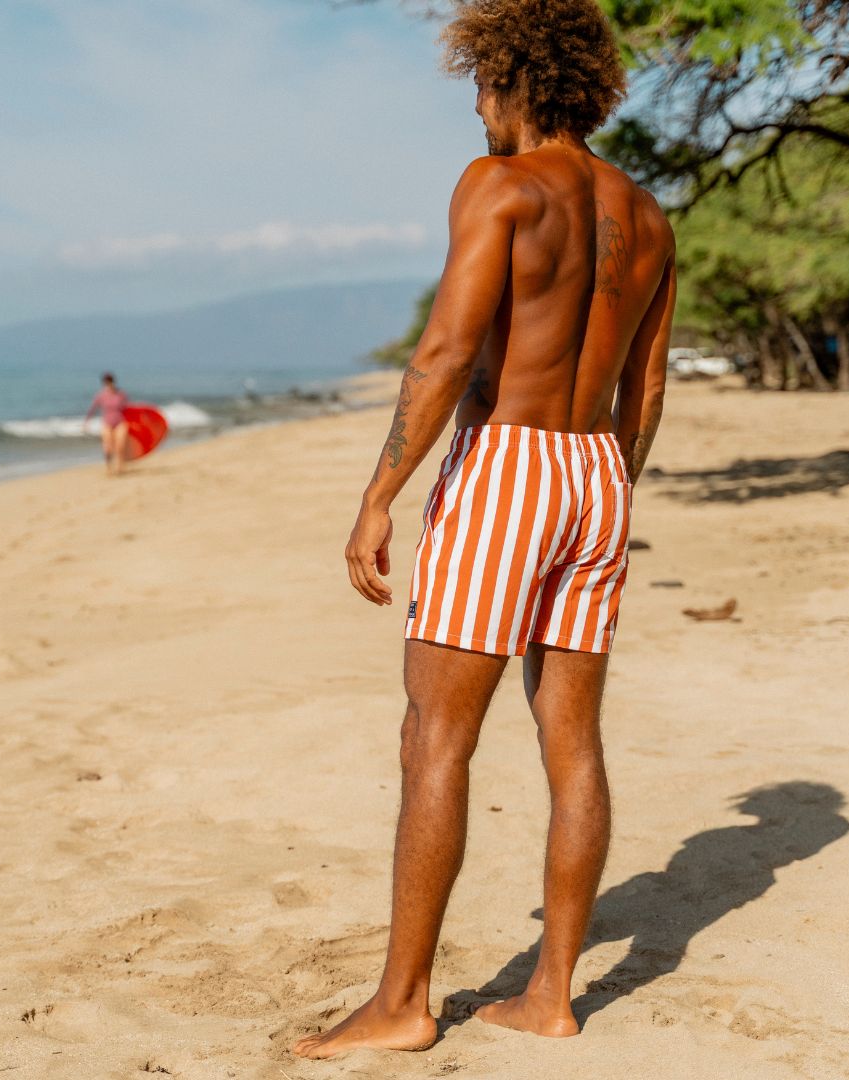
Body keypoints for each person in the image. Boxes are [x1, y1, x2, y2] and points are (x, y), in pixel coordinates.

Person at [293, 0, 676, 1060]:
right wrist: (603, 494)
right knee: (574, 745)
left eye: (480, 84)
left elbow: (446, 351)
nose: (474, 106)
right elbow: (645, 391)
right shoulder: (647, 214)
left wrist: (378, 497)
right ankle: (552, 994)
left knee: (435, 736)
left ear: (515, 77)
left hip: (508, 462)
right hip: (599, 472)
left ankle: (404, 1001)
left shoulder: (498, 185)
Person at [84, 373, 130, 476]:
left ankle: (120, 467)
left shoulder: (121, 394)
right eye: (107, 382)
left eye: (110, 382)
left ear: (114, 382)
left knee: (120, 446)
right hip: (107, 423)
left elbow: (128, 409)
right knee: (107, 448)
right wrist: (87, 422)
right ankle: (109, 467)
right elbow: (92, 409)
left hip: (120, 422)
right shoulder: (100, 396)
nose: (109, 384)